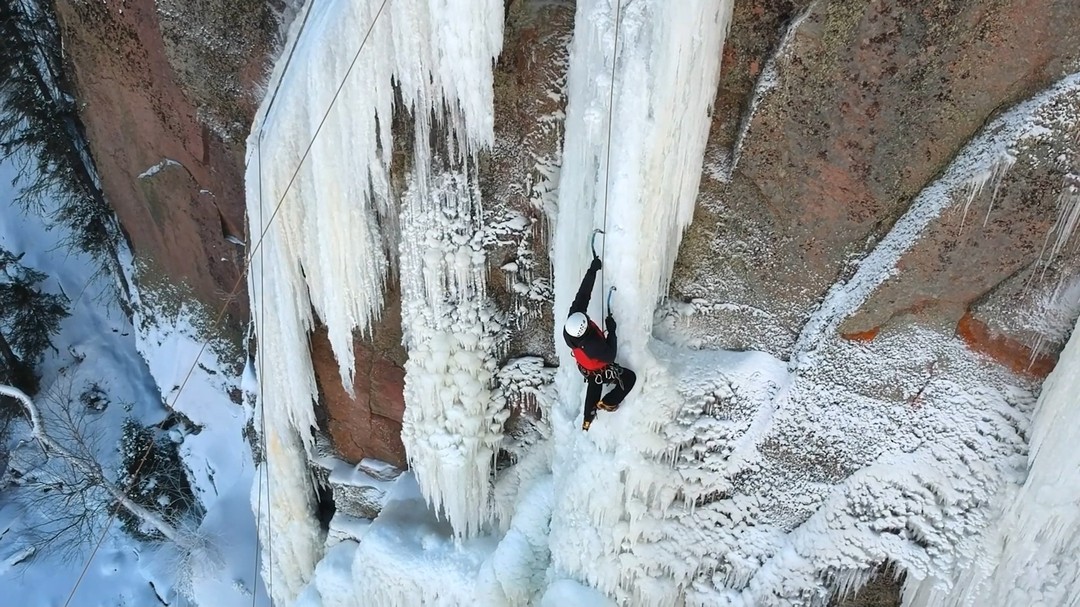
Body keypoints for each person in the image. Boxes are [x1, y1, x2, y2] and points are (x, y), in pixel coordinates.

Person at [563, 255, 637, 431]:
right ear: (586, 328)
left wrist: (592, 271)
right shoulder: (592, 343)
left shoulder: (571, 327)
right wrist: (612, 331)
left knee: (594, 382)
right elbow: (610, 354)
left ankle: (587, 420)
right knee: (629, 378)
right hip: (600, 368)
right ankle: (609, 403)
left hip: (585, 367)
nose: (588, 318)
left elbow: (583, 296)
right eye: (588, 321)